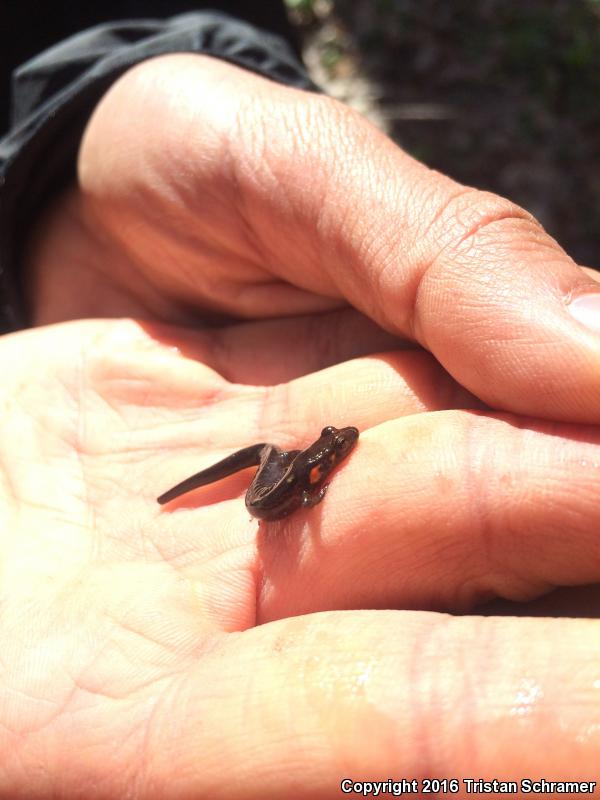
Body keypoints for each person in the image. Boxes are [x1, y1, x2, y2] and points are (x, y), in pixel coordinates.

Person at [1, 6, 600, 797]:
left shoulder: (317, 460)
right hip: (263, 500)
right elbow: (289, 498)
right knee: (270, 491)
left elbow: (312, 467)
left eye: (335, 448)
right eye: (335, 448)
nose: (339, 449)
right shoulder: (306, 477)